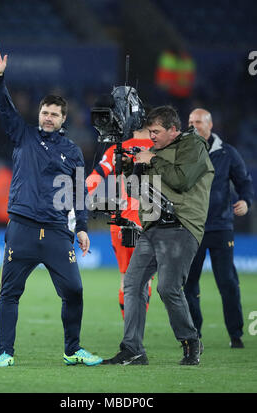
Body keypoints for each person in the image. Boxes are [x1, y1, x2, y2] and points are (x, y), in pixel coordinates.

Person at [0, 44, 102, 367]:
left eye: (54, 114)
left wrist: (81, 229)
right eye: (44, 112)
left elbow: (79, 195)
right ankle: (5, 352)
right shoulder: (23, 135)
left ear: (63, 119)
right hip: (21, 227)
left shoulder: (73, 151)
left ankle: (72, 350)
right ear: (39, 114)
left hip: (55, 231)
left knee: (74, 291)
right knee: (9, 293)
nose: (48, 118)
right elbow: (6, 109)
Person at [103, 105, 214, 366]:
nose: (150, 136)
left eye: (156, 132)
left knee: (167, 287)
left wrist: (150, 159)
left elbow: (182, 179)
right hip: (153, 226)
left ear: (173, 130)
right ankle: (133, 349)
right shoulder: (155, 152)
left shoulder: (193, 146)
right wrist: (130, 166)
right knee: (132, 284)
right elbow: (135, 188)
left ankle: (190, 341)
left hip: (182, 225)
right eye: (149, 131)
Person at [184, 108, 254, 349]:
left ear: (210, 125)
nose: (193, 125)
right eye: (190, 121)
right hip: (191, 228)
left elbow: (244, 181)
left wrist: (246, 200)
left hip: (221, 227)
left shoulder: (227, 153)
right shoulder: (183, 151)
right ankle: (193, 335)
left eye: (198, 122)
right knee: (189, 283)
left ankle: (235, 334)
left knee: (227, 282)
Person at [86, 128, 154, 319]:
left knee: (126, 278)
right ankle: (136, 332)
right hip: (149, 224)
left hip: (121, 222)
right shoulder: (160, 150)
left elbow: (95, 176)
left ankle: (128, 329)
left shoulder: (119, 149)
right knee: (145, 280)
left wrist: (80, 198)